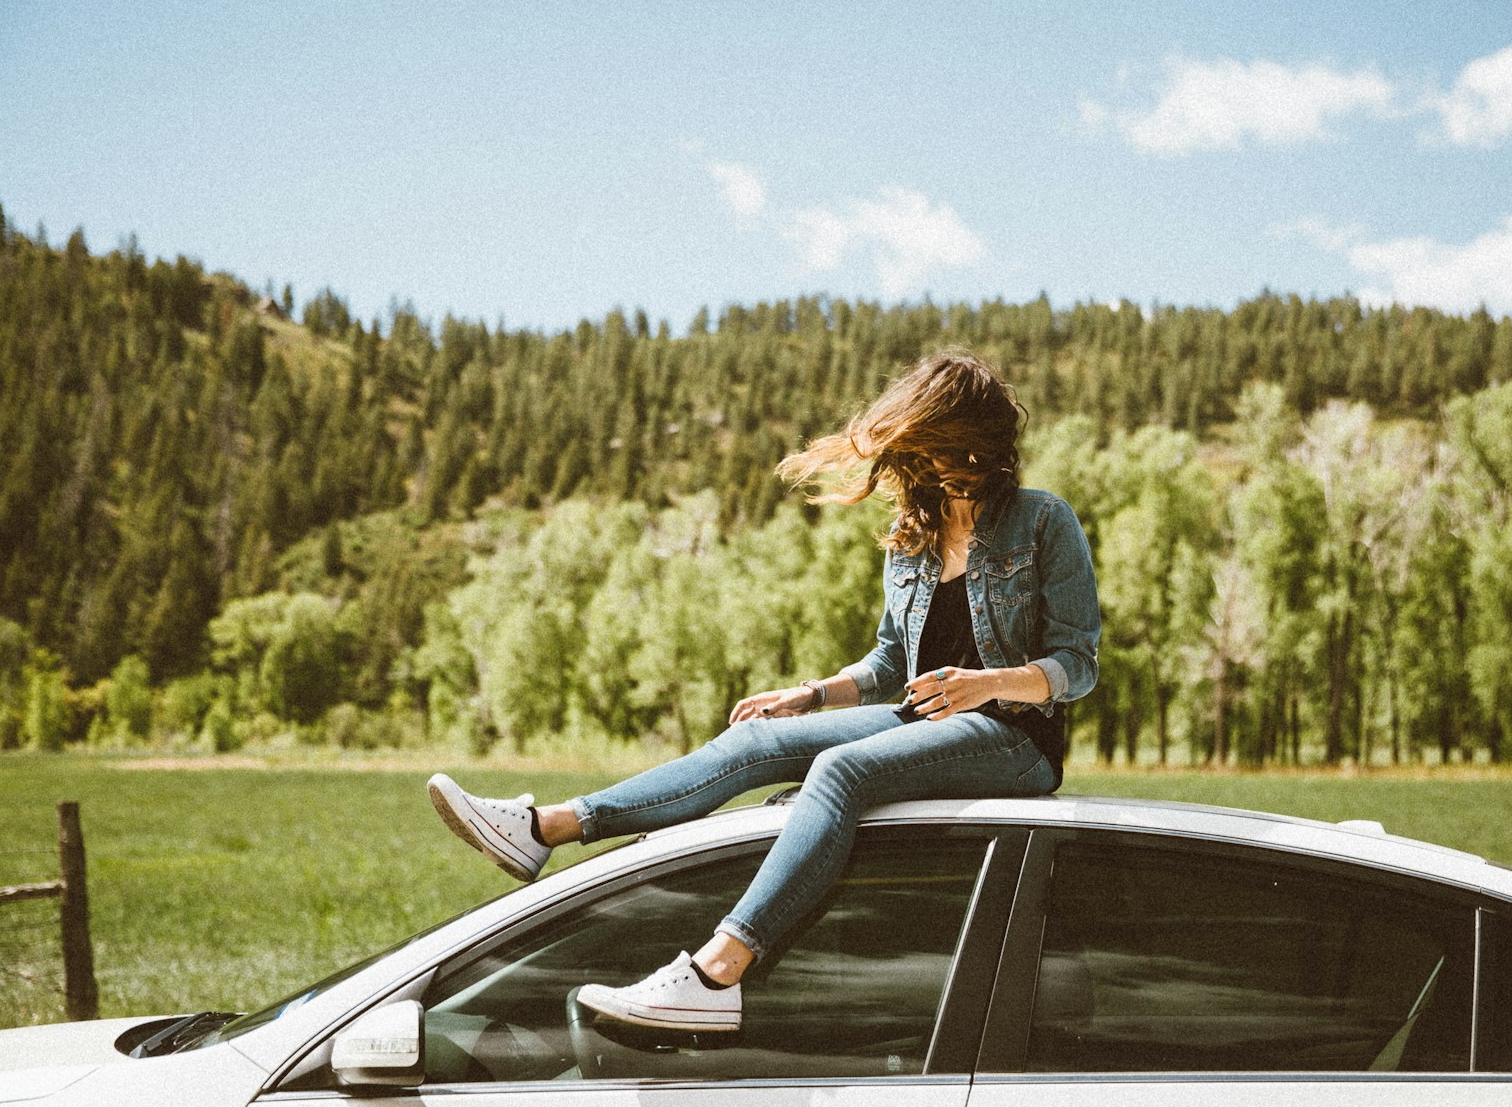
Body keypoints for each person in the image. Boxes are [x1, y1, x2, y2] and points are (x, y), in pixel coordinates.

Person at [426, 353, 1099, 1032]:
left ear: (976, 439)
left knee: (839, 772)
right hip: (915, 720)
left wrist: (987, 684)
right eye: (922, 448)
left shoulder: (1042, 522)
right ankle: (543, 828)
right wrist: (808, 695)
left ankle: (717, 973)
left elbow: (1078, 662)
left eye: (942, 446)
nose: (933, 463)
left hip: (1015, 739)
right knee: (755, 740)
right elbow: (892, 661)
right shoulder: (913, 538)